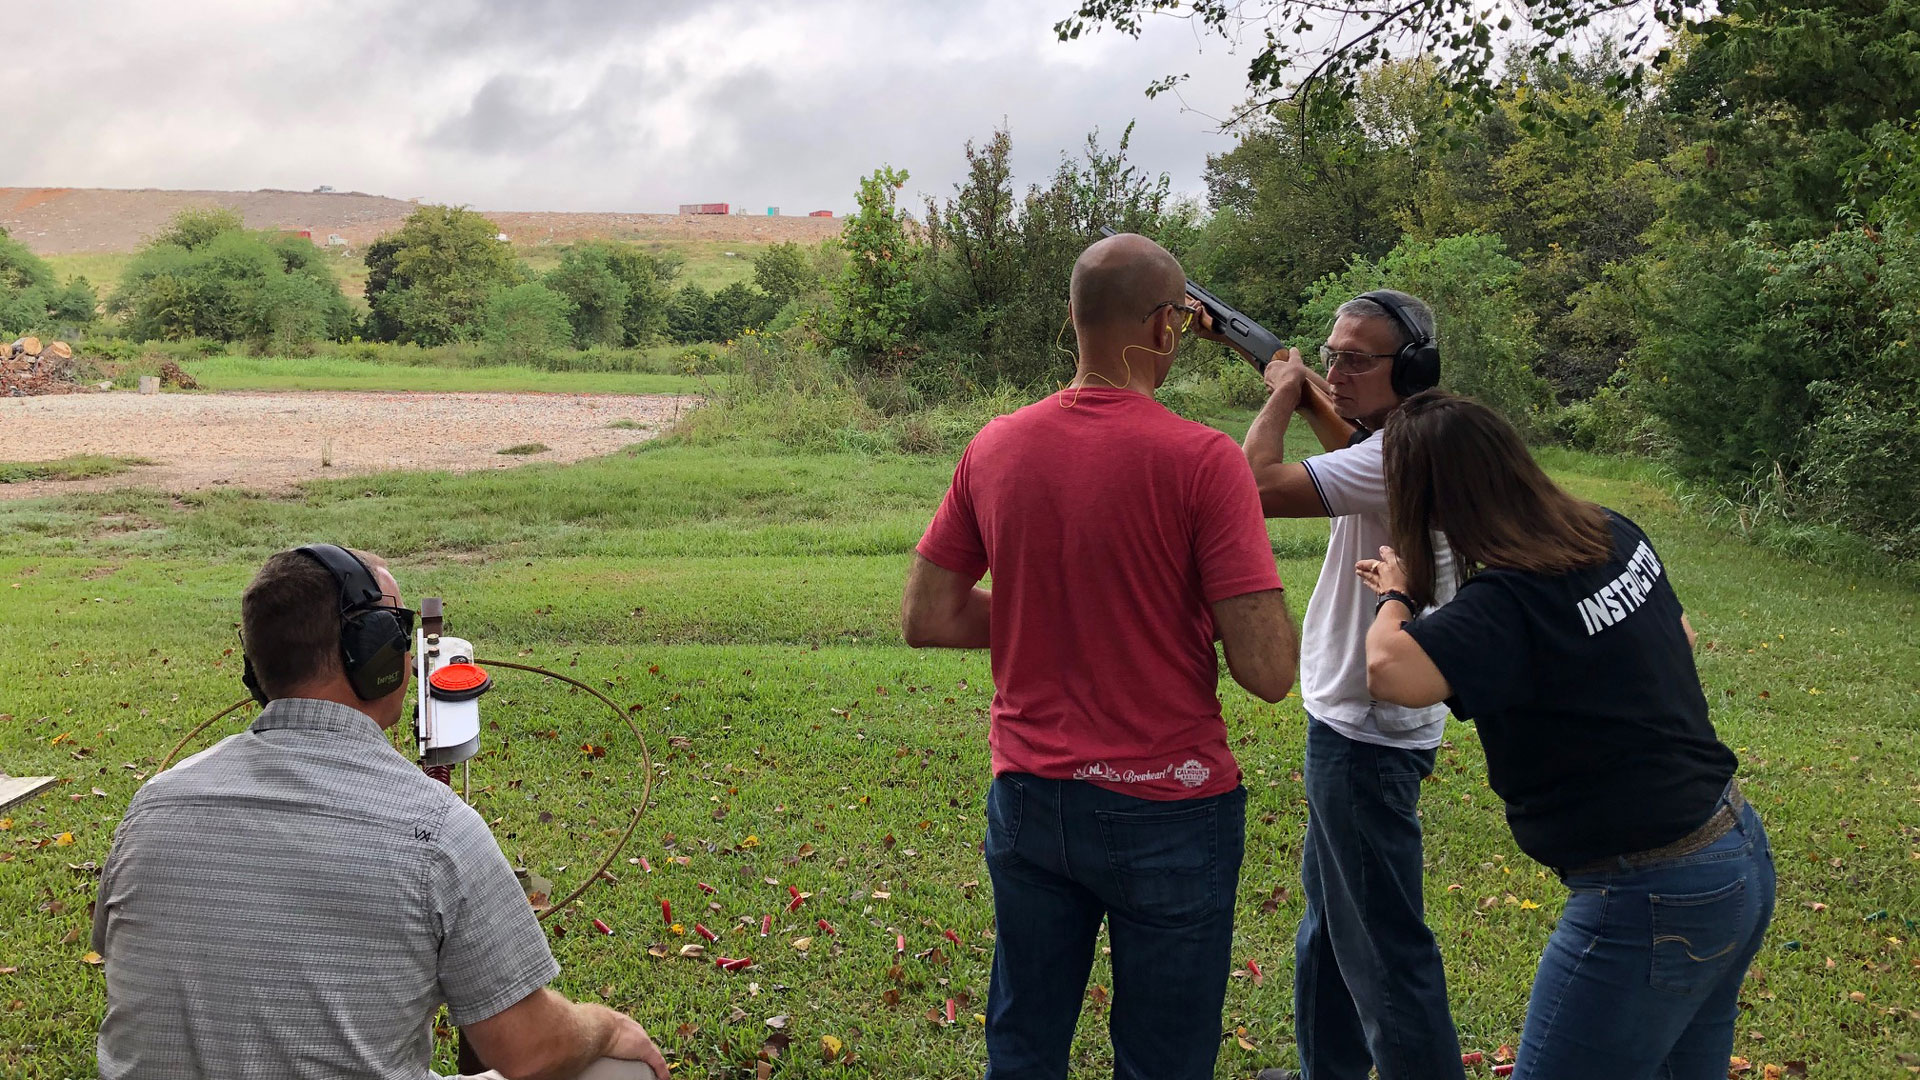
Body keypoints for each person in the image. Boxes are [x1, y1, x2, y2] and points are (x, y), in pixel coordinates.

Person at [901, 232, 1299, 1080]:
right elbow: (1268, 674)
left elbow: (928, 615)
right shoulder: (1204, 461)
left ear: (1074, 322)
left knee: (1023, 1043)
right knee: (1163, 1058)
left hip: (1030, 800)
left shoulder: (996, 444)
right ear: (1163, 328)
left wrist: (1051, 616)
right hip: (1172, 806)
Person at [93, 544, 670, 1080]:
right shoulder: (437, 830)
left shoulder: (152, 806)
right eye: (399, 632)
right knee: (622, 1071)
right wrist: (607, 1026)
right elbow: (530, 1047)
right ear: (372, 652)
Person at [1357, 391, 1774, 1080]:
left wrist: (1395, 592)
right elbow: (1682, 637)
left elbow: (1389, 670)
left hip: (1650, 893)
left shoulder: (1508, 602)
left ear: (1429, 500)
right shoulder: (1609, 532)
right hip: (1733, 852)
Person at [1203, 290, 1464, 1080]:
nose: (1337, 370)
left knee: (1385, 949)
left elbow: (1249, 488)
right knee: (1329, 924)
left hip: (1365, 736)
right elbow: (1346, 447)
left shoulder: (1395, 457)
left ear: (1410, 369)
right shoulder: (1408, 445)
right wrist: (1302, 385)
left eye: (1357, 359)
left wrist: (1283, 391)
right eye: (1331, 354)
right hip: (1361, 727)